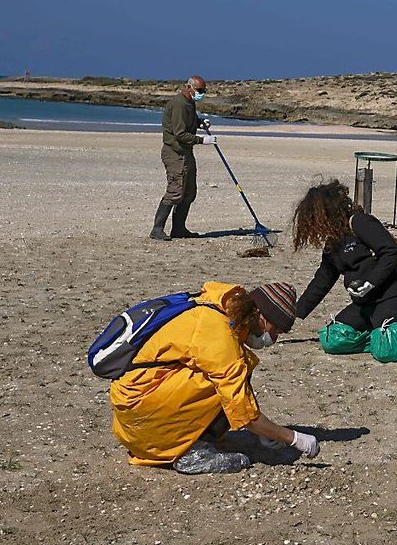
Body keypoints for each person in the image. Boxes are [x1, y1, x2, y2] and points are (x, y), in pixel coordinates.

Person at [110, 281, 320, 474]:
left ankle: (192, 439)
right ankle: (188, 453)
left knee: (233, 373)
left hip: (134, 416)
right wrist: (293, 438)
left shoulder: (216, 309)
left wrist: (266, 431)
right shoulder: (219, 333)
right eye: (274, 331)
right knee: (228, 379)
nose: (272, 340)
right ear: (259, 315)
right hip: (143, 419)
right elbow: (242, 410)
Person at [292, 179, 397, 331]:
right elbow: (323, 279)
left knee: (386, 342)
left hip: (389, 297)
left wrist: (370, 283)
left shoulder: (359, 222)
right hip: (363, 305)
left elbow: (391, 251)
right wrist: (295, 313)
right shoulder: (333, 242)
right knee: (334, 336)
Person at [150, 76, 217, 241]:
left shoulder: (189, 103)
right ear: (189, 87)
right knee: (175, 192)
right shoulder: (179, 104)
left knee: (189, 193)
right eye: (200, 91)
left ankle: (179, 229)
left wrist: (199, 122)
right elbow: (180, 134)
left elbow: (187, 123)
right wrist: (202, 140)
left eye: (204, 91)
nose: (201, 94)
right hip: (175, 152)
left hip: (186, 152)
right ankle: (157, 230)